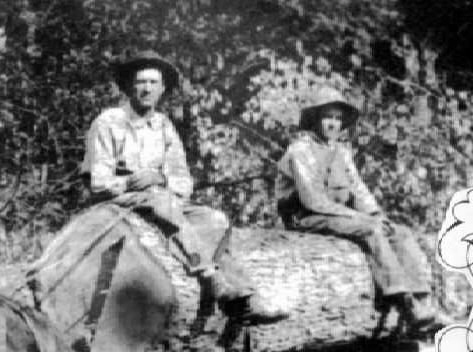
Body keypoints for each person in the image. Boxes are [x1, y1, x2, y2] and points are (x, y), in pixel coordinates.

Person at [81, 51, 286, 324]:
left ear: (163, 89)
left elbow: (182, 180)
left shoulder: (164, 126)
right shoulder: (109, 122)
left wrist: (161, 179)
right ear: (130, 86)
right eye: (141, 82)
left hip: (162, 198)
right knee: (161, 203)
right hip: (118, 202)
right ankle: (209, 276)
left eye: (153, 83)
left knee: (214, 219)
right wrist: (132, 181)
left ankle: (246, 296)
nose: (146, 89)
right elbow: (98, 181)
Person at [276, 88, 440, 331]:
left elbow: (358, 189)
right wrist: (362, 218)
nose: (333, 123)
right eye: (327, 117)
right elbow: (313, 201)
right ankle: (402, 301)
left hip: (337, 215)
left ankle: (423, 299)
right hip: (305, 218)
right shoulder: (301, 150)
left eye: (337, 118)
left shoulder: (340, 151)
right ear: (315, 119)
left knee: (400, 232)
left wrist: (376, 214)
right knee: (371, 231)